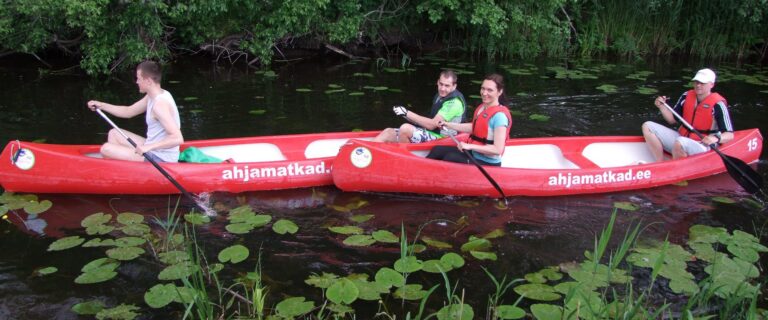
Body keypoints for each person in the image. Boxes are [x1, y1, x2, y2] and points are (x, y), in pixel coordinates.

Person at [87, 60, 183, 162]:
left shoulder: (159, 105)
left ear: (148, 81)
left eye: (139, 79)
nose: (137, 82)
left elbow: (177, 138)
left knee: (106, 149)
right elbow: (128, 111)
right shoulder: (154, 96)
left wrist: (148, 147)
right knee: (114, 133)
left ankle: (127, 172)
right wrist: (102, 105)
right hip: (154, 149)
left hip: (162, 158)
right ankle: (126, 170)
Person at [642, 68, 733, 161]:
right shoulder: (686, 96)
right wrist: (662, 107)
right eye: (696, 82)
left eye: (702, 83)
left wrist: (716, 138)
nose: (698, 85)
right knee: (647, 126)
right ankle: (660, 163)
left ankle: (676, 170)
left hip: (703, 144)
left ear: (711, 84)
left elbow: (729, 135)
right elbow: (672, 120)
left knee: (680, 143)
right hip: (682, 137)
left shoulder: (718, 105)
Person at [426, 73, 511, 166]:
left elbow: (497, 149)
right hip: (474, 154)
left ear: (499, 92)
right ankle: (423, 171)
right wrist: (448, 124)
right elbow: (474, 127)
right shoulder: (482, 108)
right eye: (483, 88)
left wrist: (470, 146)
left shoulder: (500, 117)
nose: (484, 93)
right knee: (437, 150)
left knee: (450, 158)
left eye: (489, 90)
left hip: (487, 162)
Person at [372, 70, 467, 143]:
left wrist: (406, 112)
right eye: (441, 84)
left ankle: (405, 160)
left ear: (454, 86)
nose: (442, 88)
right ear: (437, 82)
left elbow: (432, 124)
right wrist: (404, 115)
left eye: (447, 86)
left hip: (445, 139)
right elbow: (427, 122)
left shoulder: (454, 103)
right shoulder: (440, 96)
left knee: (405, 129)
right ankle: (368, 153)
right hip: (434, 132)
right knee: (388, 132)